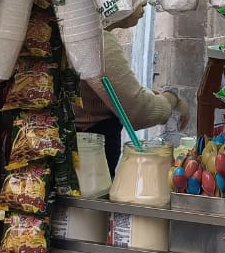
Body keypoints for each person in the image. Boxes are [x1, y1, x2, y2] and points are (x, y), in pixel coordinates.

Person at [75, 24, 186, 174]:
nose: (141, 3)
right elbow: (138, 112)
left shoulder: (86, 35)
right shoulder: (96, 40)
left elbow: (116, 93)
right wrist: (172, 99)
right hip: (87, 165)